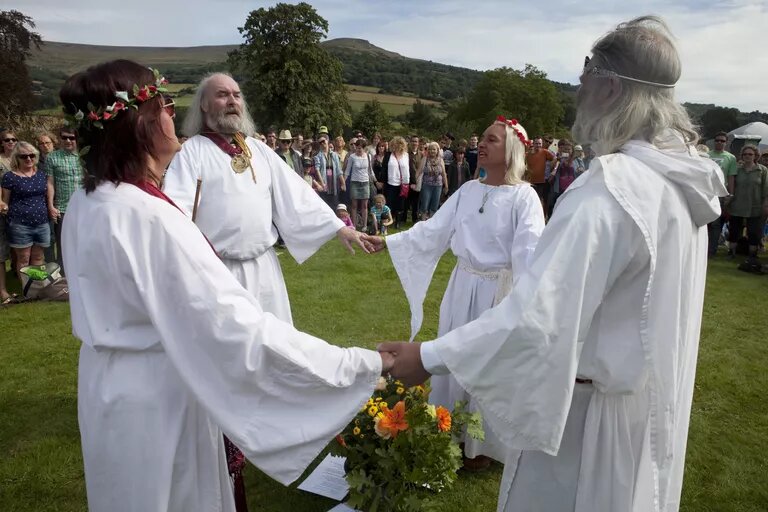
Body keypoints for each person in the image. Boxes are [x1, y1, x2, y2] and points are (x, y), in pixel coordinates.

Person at [380, 16, 727, 512]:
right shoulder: (682, 183)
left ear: (609, 87)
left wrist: (428, 357)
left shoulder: (611, 190)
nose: (578, 89)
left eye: (586, 74)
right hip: (642, 410)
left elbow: (538, 316)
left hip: (587, 425)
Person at [59, 59, 392, 512]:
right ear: (140, 123)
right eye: (163, 106)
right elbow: (239, 328)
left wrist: (339, 228)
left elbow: (295, 196)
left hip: (108, 384)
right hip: (161, 390)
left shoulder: (88, 200)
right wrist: (359, 365)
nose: (169, 115)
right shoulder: (151, 213)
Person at [367, 117, 544, 470]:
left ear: (510, 150)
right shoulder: (467, 191)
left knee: (486, 362)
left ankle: (481, 446)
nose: (482, 143)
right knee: (452, 354)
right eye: (482, 138)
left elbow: (530, 255)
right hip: (462, 285)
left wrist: (526, 308)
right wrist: (388, 243)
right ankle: (449, 430)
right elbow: (431, 231)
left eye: (492, 140)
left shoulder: (524, 198)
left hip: (498, 292)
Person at [164, 72, 366, 325]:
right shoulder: (191, 153)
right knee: (229, 353)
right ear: (203, 105)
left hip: (265, 269)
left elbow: (295, 192)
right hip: (218, 273)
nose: (232, 101)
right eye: (222, 94)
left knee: (275, 346)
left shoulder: (258, 150)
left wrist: (338, 227)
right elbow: (174, 213)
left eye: (237, 95)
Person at [1, 141, 54, 277]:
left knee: (38, 257)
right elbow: (5, 202)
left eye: (31, 155)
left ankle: (37, 286)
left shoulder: (42, 175)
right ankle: (27, 290)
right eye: (23, 156)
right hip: (20, 225)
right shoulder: (9, 177)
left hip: (42, 223)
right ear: (16, 158)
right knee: (24, 259)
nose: (29, 159)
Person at [43, 126, 84, 275]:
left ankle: (85, 273)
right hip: (63, 208)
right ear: (59, 139)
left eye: (71, 138)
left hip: (84, 208)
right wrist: (51, 205)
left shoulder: (84, 155)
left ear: (76, 139)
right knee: (64, 245)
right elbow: (50, 183)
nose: (67, 140)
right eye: (64, 137)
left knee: (85, 242)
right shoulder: (52, 157)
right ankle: (65, 277)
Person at [726, 144, 768, 263]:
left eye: (750, 154)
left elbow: (766, 190)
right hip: (737, 205)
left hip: (754, 206)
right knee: (734, 230)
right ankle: (731, 252)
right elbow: (732, 185)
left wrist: (765, 205)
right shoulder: (737, 169)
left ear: (755, 156)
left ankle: (752, 255)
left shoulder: (762, 170)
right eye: (745, 154)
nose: (747, 156)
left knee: (753, 232)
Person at [708, 131, 737, 258]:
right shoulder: (706, 155)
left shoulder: (730, 158)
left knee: (715, 223)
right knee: (703, 222)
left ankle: (711, 251)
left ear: (726, 143)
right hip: (705, 191)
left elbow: (731, 177)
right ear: (714, 141)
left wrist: (730, 194)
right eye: (717, 140)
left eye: (722, 141)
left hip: (720, 193)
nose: (719, 142)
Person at [344, 138, 375, 232]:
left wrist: (375, 181)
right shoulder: (352, 157)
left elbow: (370, 170)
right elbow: (347, 171)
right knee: (354, 205)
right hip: (355, 182)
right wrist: (343, 183)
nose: (358, 149)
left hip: (365, 182)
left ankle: (364, 225)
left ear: (364, 148)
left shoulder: (368, 156)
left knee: (364, 205)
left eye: (360, 148)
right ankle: (353, 225)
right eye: (357, 148)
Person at [313, 132, 345, 210]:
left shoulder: (334, 155)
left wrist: (343, 183)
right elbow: (317, 170)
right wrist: (322, 183)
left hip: (333, 183)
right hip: (324, 180)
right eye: (320, 142)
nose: (322, 143)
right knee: (324, 206)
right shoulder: (317, 156)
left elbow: (339, 170)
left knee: (334, 205)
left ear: (327, 141)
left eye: (323, 141)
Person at [383, 136, 410, 228]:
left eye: (400, 144)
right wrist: (382, 181)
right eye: (396, 144)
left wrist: (411, 181)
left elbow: (409, 169)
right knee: (389, 202)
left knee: (401, 203)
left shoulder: (406, 155)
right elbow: (384, 169)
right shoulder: (388, 155)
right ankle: (389, 220)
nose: (398, 146)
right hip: (391, 183)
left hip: (403, 184)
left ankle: (398, 222)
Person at [526, 136, 556, 215]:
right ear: (534, 144)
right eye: (536, 143)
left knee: (542, 201)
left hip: (542, 181)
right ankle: (533, 215)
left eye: (539, 143)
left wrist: (553, 170)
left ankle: (543, 216)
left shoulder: (545, 152)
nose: (538, 145)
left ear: (542, 144)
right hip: (531, 182)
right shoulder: (528, 154)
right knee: (531, 201)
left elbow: (556, 159)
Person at [418, 142, 448, 219]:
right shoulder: (425, 159)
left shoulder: (441, 160)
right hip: (426, 185)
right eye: (430, 149)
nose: (432, 151)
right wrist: (415, 182)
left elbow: (444, 174)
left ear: (437, 150)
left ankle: (431, 224)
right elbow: (419, 171)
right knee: (424, 205)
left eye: (434, 149)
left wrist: (446, 186)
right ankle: (423, 222)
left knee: (434, 206)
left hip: (438, 186)